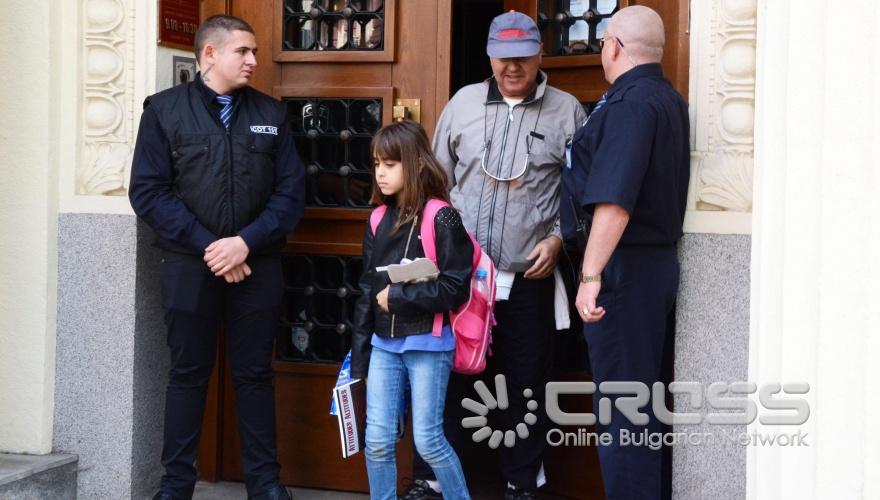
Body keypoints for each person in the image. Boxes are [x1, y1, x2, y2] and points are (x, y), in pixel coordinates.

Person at [129, 15, 304, 500]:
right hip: (190, 265)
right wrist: (213, 247)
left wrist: (245, 243)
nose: (253, 60)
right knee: (187, 375)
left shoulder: (271, 113)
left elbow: (291, 193)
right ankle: (176, 486)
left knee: (254, 375)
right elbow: (148, 192)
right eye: (242, 51)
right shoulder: (164, 111)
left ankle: (265, 485)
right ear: (209, 54)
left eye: (254, 52)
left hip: (257, 265)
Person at [419, 11, 586, 500]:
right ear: (490, 56)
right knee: (447, 376)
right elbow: (436, 184)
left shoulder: (567, 111)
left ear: (539, 54)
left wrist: (557, 239)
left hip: (528, 275)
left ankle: (521, 481)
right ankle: (433, 479)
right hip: (463, 278)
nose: (512, 67)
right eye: (503, 57)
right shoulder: (463, 104)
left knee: (525, 382)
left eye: (523, 57)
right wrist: (440, 248)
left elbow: (580, 195)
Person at [562, 6, 690, 500]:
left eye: (602, 43)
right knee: (645, 405)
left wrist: (590, 274)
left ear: (613, 46)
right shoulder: (666, 98)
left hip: (623, 270)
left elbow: (615, 201)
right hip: (648, 268)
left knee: (623, 412)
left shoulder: (630, 104)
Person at [350, 120, 474, 500]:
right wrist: (359, 363)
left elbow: (455, 287)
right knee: (377, 441)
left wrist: (399, 297)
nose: (381, 173)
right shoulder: (377, 218)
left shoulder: (442, 216)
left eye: (390, 164)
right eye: (376, 164)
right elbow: (367, 291)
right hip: (384, 346)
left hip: (429, 343)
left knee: (429, 441)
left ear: (417, 164)